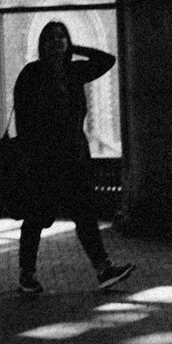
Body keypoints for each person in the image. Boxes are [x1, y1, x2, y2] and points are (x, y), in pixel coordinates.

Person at [12, 21, 134, 295]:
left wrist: (75, 48)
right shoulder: (31, 74)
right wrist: (30, 157)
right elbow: (24, 119)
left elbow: (107, 60)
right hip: (45, 159)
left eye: (62, 37)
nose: (57, 42)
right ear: (41, 44)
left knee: (84, 214)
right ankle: (26, 273)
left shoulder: (74, 71)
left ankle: (104, 268)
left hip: (74, 157)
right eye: (51, 38)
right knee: (37, 215)